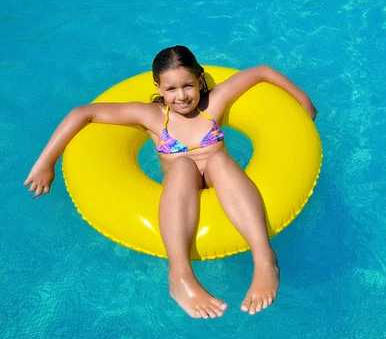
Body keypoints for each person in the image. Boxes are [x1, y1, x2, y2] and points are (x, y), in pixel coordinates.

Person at [24, 45, 318, 319]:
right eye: (171, 88)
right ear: (158, 89)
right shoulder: (152, 116)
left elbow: (262, 71)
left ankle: (265, 259)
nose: (181, 96)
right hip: (183, 189)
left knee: (217, 160)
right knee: (183, 166)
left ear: (200, 80)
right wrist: (45, 164)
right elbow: (83, 113)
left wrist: (303, 103)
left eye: (188, 85)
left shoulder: (213, 103)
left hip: (222, 183)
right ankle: (180, 275)